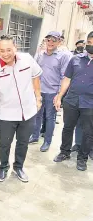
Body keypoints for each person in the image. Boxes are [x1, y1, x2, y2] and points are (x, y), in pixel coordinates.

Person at [0, 34, 42, 183]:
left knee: (23, 142)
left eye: (8, 50)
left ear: (15, 48)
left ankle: (18, 167)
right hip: (7, 114)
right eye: (1, 51)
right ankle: (3, 167)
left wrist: (38, 97)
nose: (5, 54)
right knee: (4, 144)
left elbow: (35, 76)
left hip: (28, 112)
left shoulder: (27, 59)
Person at [53, 31, 93, 171]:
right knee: (68, 127)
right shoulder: (75, 59)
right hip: (72, 100)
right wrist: (59, 96)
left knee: (88, 132)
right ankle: (64, 152)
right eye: (89, 43)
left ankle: (82, 158)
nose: (90, 46)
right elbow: (67, 79)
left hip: (90, 104)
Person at [29, 31, 71, 152]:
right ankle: (35, 136)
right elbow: (34, 72)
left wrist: (59, 95)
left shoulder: (63, 56)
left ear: (59, 42)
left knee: (50, 117)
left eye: (54, 40)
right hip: (39, 91)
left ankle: (47, 141)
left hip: (53, 92)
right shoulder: (40, 55)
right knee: (37, 115)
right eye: (48, 40)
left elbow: (64, 77)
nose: (51, 42)